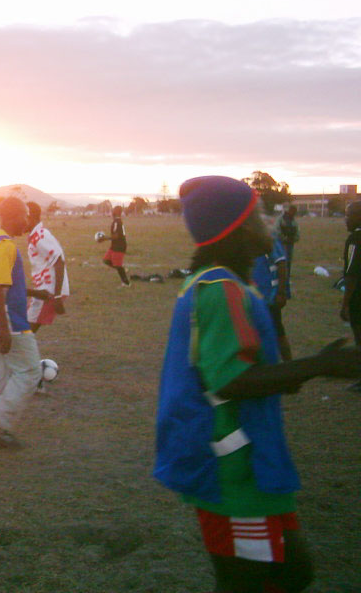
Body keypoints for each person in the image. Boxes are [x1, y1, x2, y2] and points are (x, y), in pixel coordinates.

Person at [154, 175, 361, 593]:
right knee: (249, 581)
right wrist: (318, 366)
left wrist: (297, 372)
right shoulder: (220, 288)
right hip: (233, 471)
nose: (267, 221)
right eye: (257, 214)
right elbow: (230, 380)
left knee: (291, 573)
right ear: (235, 227)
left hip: (251, 463)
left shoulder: (228, 283)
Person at [0, 196, 43, 449]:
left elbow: (1, 281)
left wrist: (35, 293)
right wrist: (4, 328)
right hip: (7, 321)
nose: (27, 221)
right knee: (31, 371)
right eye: (25, 215)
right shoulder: (5, 246)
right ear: (14, 216)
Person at [25, 201, 69, 333]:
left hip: (48, 292)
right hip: (44, 290)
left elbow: (59, 261)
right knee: (24, 332)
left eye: (22, 217)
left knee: (24, 333)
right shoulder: (35, 236)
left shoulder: (41, 236)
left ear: (30, 218)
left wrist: (57, 296)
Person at [252, 236, 293, 361]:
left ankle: (289, 365)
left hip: (269, 296)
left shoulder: (268, 237)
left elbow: (281, 262)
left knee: (278, 332)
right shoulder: (244, 237)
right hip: (254, 296)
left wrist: (281, 292)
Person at [340, 201, 361, 392]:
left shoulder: (355, 239)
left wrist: (345, 303)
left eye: (348, 215)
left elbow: (352, 273)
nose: (345, 219)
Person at [100, 205, 131, 286]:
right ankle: (123, 269)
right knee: (106, 260)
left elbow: (116, 236)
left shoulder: (117, 222)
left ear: (116, 212)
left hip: (119, 246)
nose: (111, 212)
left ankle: (126, 283)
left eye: (113, 210)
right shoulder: (117, 221)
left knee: (117, 265)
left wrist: (104, 238)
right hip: (114, 245)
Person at [274, 203, 299, 287]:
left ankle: (286, 278)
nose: (293, 214)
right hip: (282, 243)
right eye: (293, 212)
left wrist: (294, 238)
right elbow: (276, 230)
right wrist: (283, 238)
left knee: (288, 262)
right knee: (282, 261)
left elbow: (297, 232)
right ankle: (281, 278)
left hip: (290, 244)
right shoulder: (281, 219)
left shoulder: (293, 220)